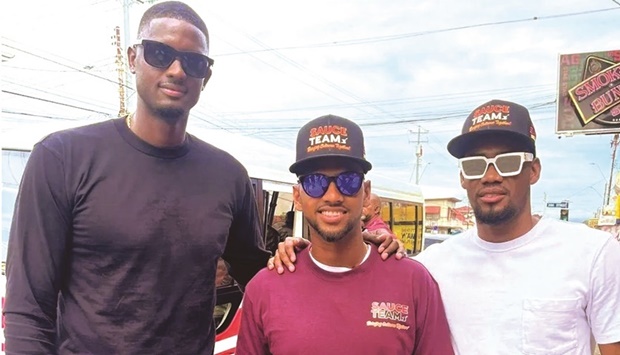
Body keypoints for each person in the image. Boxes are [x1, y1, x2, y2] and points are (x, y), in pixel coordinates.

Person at [3, 2, 273, 354]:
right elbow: (28, 307)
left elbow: (261, 275)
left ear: (205, 77)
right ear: (133, 58)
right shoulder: (62, 158)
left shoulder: (228, 176)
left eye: (193, 62)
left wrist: (347, 253)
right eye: (160, 53)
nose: (177, 70)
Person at [271, 100, 620, 354]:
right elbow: (361, 272)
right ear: (462, 177)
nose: (491, 175)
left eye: (509, 161)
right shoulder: (431, 267)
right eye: (474, 164)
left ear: (534, 170)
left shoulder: (593, 254)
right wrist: (305, 250)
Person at [237, 114, 454, 354]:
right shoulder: (264, 288)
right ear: (297, 197)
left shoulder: (415, 282)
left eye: (348, 181)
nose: (332, 196)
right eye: (315, 182)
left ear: (367, 192)